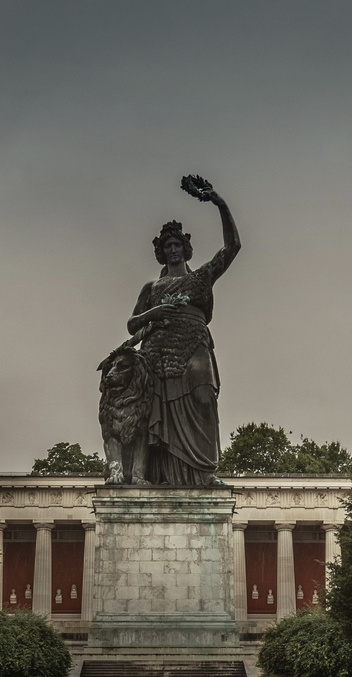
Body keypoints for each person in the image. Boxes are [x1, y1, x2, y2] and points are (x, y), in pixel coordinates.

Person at [126, 177, 241, 486]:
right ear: (161, 252)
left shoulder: (202, 276)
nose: (173, 250)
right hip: (158, 350)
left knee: (204, 396)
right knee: (156, 412)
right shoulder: (152, 287)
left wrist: (219, 203)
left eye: (177, 245)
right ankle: (162, 473)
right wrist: (156, 312)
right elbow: (132, 323)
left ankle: (205, 472)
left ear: (186, 248)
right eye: (167, 246)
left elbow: (233, 247)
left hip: (194, 343)